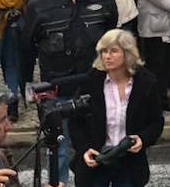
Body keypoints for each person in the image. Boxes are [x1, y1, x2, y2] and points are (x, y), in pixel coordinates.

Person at [24, 0, 118, 182]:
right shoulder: (39, 4)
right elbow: (26, 46)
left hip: (96, 84)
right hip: (57, 88)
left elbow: (112, 34)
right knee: (59, 147)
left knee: (100, 142)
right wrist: (27, 85)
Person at [70, 29, 165, 187]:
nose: (107, 56)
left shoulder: (145, 83)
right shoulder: (90, 81)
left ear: (127, 54)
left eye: (113, 51)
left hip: (129, 162)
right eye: (103, 51)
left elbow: (156, 122)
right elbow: (75, 122)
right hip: (96, 159)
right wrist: (84, 149)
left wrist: (142, 139)